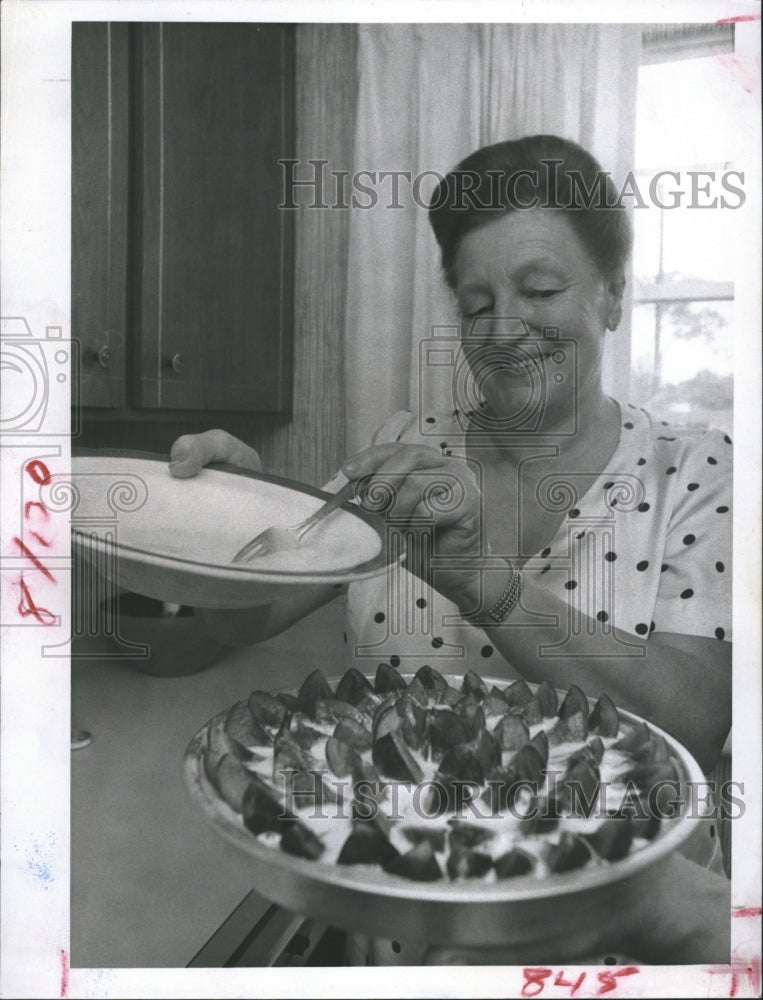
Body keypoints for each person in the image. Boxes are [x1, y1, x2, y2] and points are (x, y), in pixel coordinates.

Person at [169, 135, 732, 962]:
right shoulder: (403, 457)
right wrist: (220, 522)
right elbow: (232, 626)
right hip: (406, 937)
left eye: (539, 289)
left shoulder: (700, 470)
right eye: (475, 304)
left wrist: (482, 580)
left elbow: (695, 718)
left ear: (613, 297)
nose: (503, 331)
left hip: (631, 949)